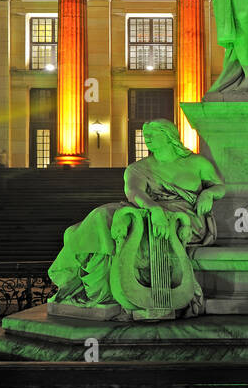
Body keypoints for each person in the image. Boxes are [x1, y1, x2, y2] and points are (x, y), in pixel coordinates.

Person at [48, 119, 225, 317]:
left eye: (152, 135)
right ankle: (91, 287)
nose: (147, 139)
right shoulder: (138, 168)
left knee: (134, 227)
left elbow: (219, 186)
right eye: (145, 135)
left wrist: (208, 194)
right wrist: (154, 209)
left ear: (169, 136)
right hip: (148, 209)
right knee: (102, 216)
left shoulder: (197, 162)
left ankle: (110, 290)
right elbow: (133, 191)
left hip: (185, 218)